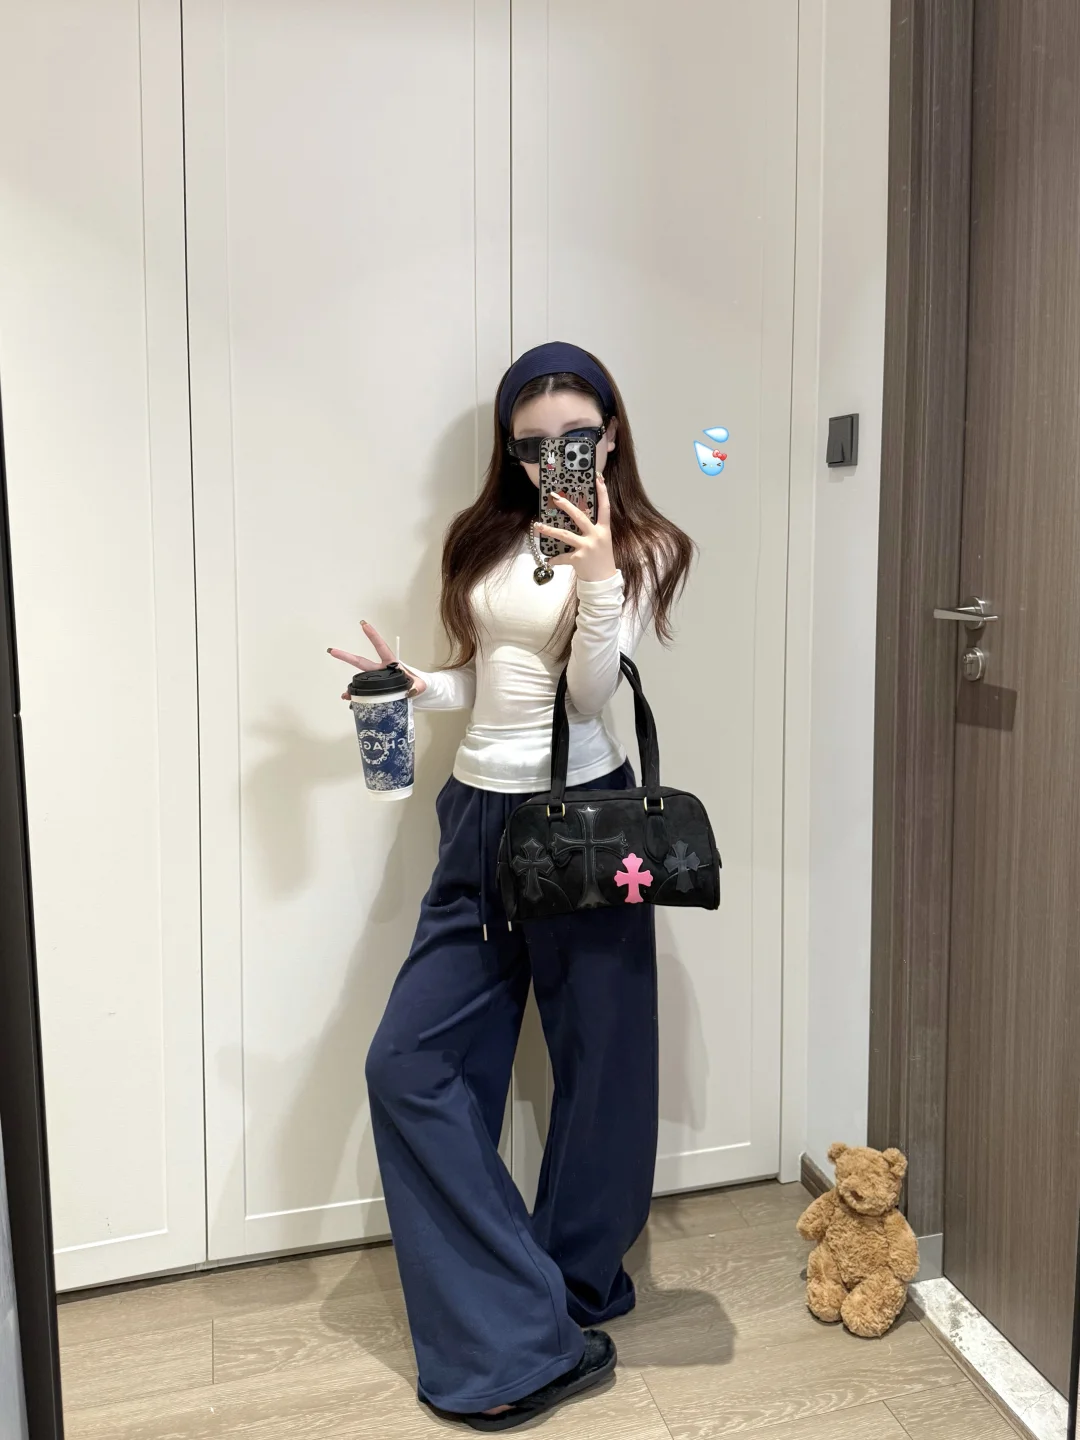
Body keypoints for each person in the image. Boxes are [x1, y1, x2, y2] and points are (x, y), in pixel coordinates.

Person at [329, 342, 694, 1431]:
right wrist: (416, 685)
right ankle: (519, 1320)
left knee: (603, 1063)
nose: (553, 459)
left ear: (611, 437)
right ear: (511, 450)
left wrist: (598, 575)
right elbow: (493, 679)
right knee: (410, 1064)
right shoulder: (485, 537)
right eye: (532, 445)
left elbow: (585, 698)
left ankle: (577, 1288)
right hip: (478, 817)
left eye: (575, 437)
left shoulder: (639, 546)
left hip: (584, 818)